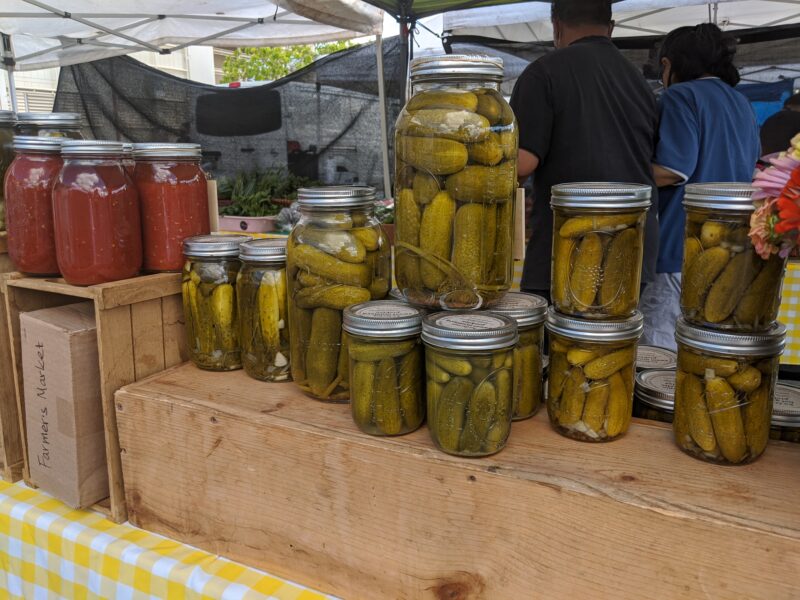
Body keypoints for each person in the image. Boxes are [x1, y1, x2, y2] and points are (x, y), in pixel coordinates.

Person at [509, 0, 659, 302]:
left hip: (568, 245)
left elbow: (522, 162)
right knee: (610, 343)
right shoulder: (639, 82)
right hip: (634, 243)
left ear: (556, 26)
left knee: (559, 345)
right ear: (611, 27)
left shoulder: (543, 73)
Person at [640, 23, 760, 349]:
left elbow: (672, 169)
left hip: (679, 249)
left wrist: (624, 174)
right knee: (705, 353)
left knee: (659, 355)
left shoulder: (681, 95)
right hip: (730, 250)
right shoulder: (741, 104)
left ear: (667, 65)